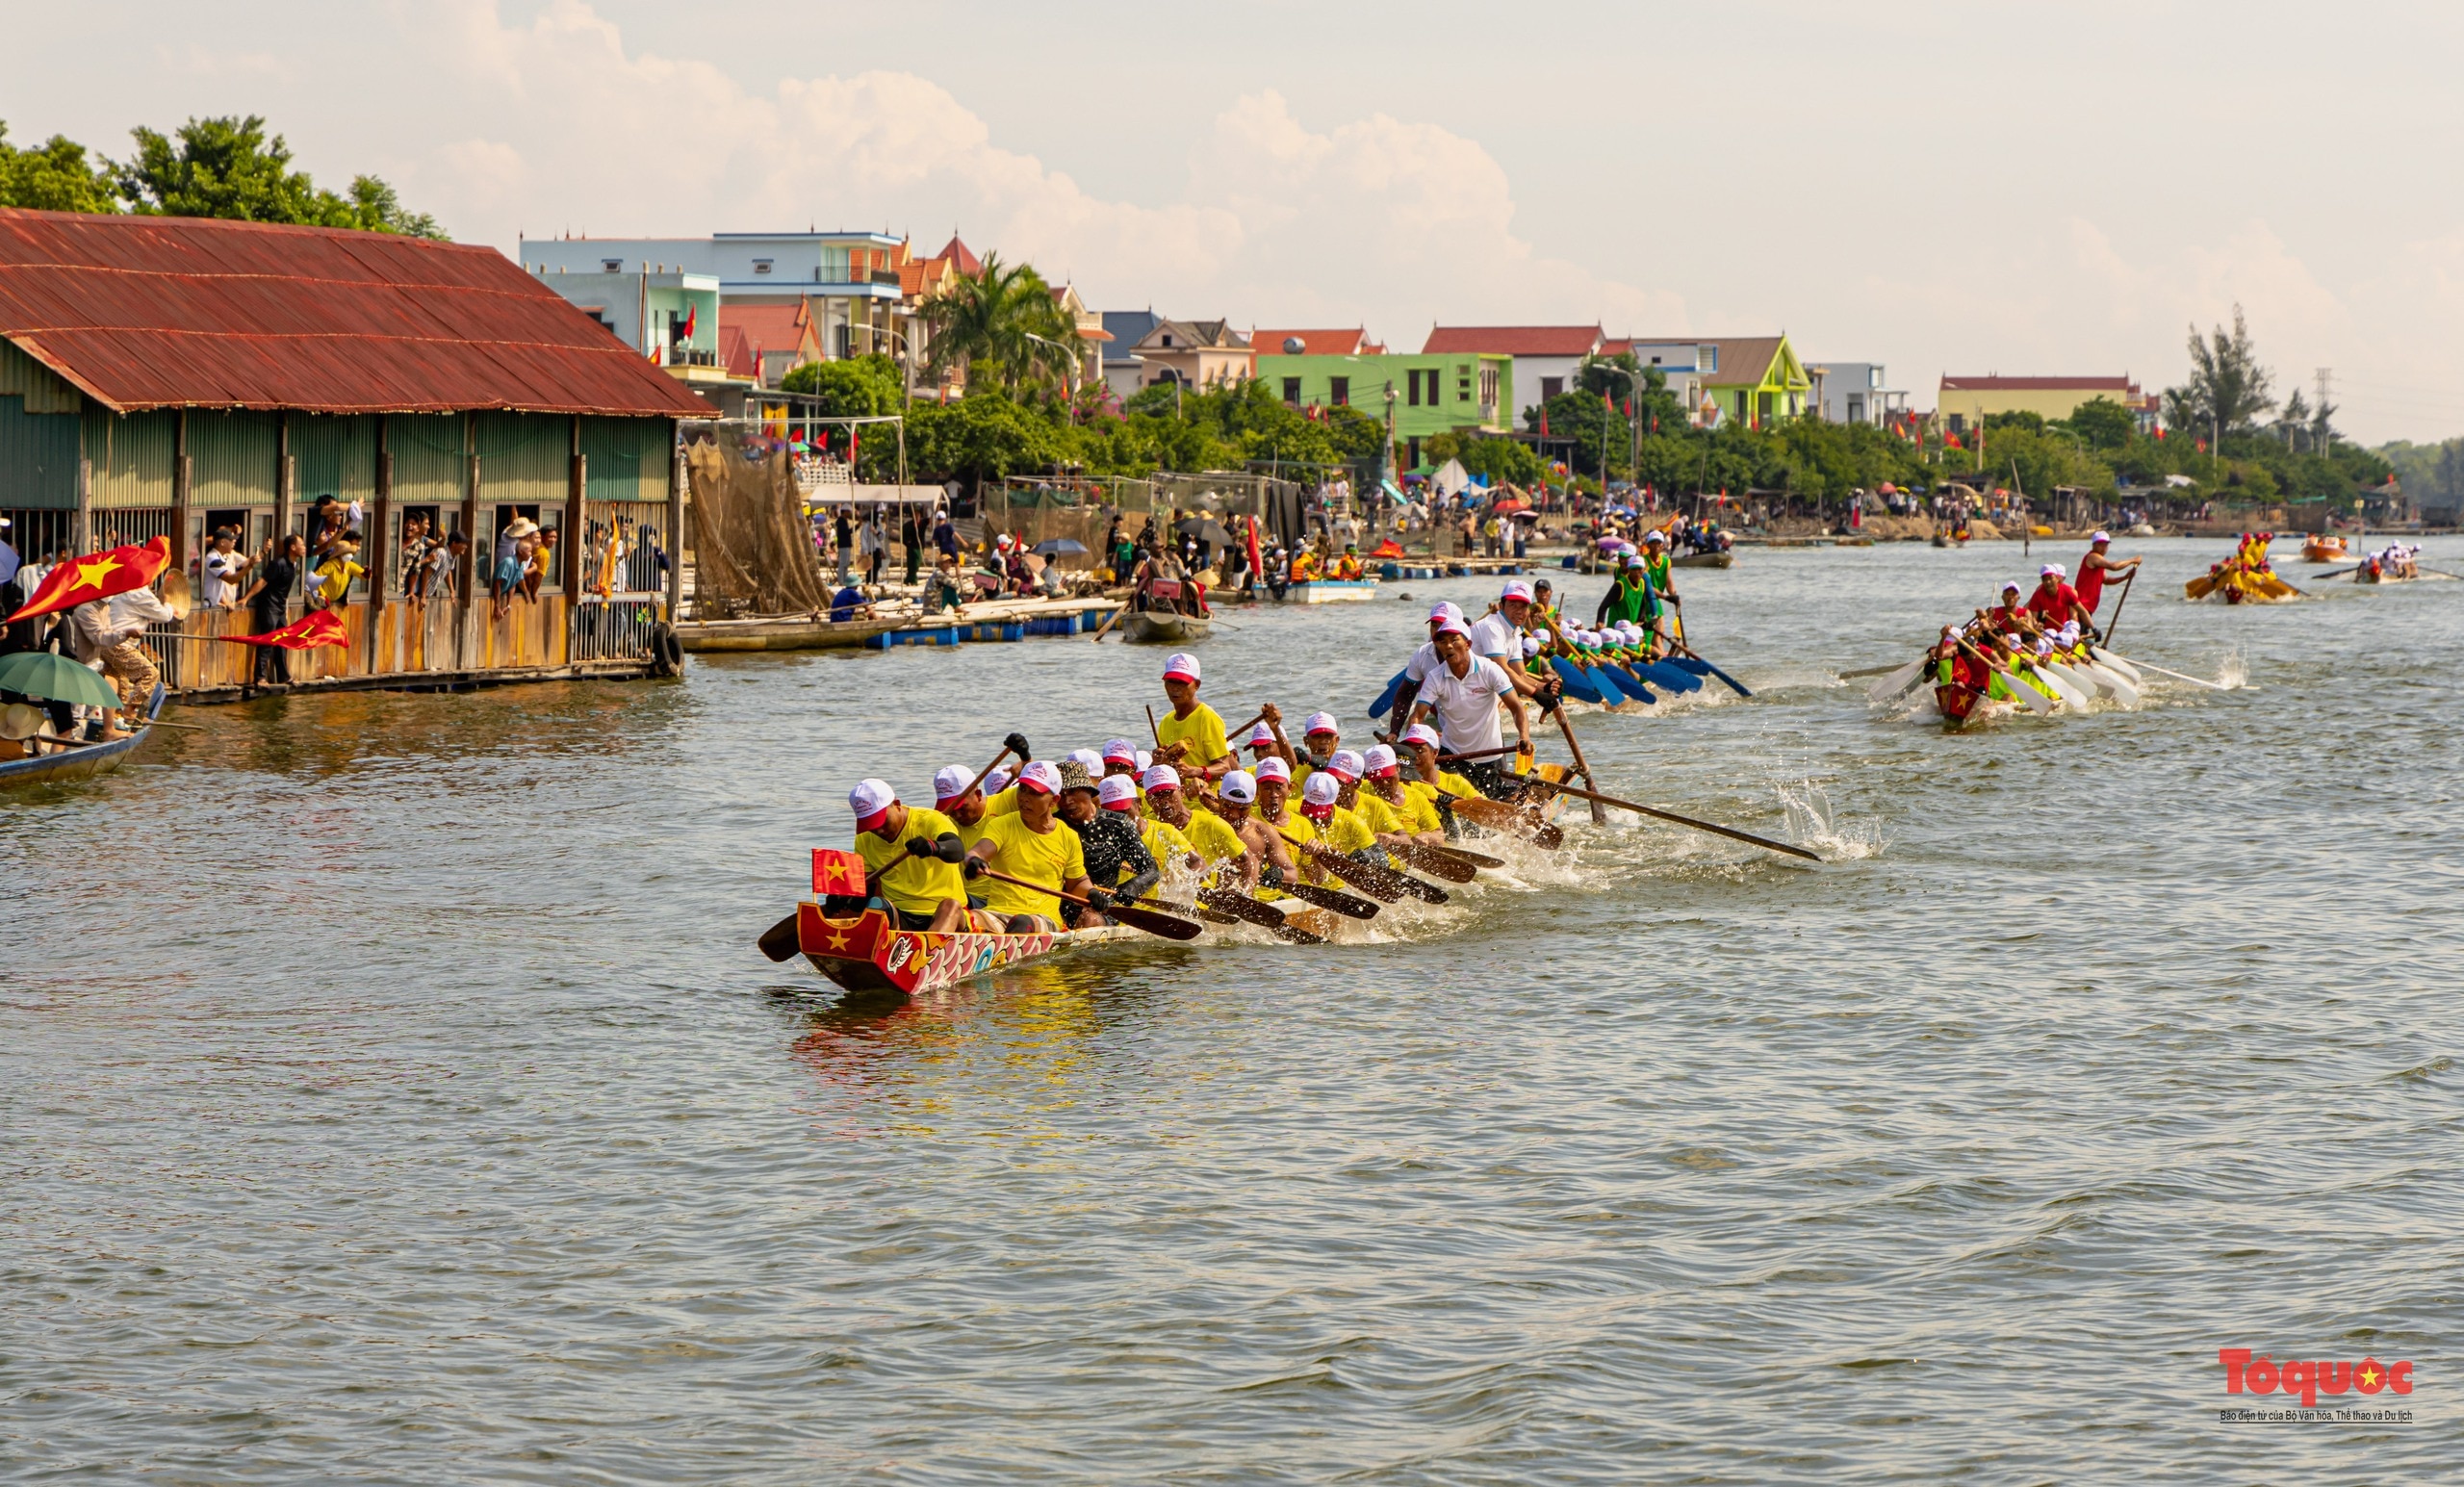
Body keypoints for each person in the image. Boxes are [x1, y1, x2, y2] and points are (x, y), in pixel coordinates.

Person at [964, 759, 1111, 934]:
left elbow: (1077, 883)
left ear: (1054, 801)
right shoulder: (1002, 825)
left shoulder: (1068, 836)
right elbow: (978, 851)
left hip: (1042, 918)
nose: (1024, 798)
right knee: (954, 911)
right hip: (997, 913)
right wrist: (973, 860)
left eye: (1034, 793)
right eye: (1022, 789)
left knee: (1021, 922)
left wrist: (1091, 893)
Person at [1409, 618, 1530, 799]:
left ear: (1468, 644)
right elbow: (1417, 716)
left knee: (1491, 811)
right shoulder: (1435, 677)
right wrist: (1415, 748)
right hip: (1453, 754)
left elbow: (1517, 708)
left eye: (1454, 640)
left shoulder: (1489, 670)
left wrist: (1524, 736)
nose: (1448, 646)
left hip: (1490, 754)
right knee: (1452, 806)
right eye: (1442, 642)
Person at [845, 778, 976, 933]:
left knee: (950, 906)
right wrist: (845, 899)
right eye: (871, 825)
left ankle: (927, 949)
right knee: (877, 904)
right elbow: (868, 886)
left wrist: (933, 847)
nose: (879, 831)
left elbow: (957, 851)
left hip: (944, 914)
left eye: (882, 822)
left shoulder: (930, 820)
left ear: (897, 804)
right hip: (901, 916)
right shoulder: (864, 839)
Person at [69, 583, 175, 738]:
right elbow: (99, 637)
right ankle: (125, 714)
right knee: (149, 673)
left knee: (116, 682)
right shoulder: (86, 609)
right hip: (94, 655)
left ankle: (114, 720)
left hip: (103, 651)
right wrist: (126, 633)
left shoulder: (104, 607)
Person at [1057, 762, 1159, 921]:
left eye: (1073, 792)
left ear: (1089, 792)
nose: (1067, 801)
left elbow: (1151, 870)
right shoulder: (1053, 825)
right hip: (1056, 906)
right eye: (1061, 794)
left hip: (1100, 910)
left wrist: (1132, 887)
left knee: (1090, 918)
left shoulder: (1118, 824)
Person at [238, 533, 304, 692]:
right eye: (301, 544)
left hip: (280, 607)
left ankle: (283, 675)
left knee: (283, 640)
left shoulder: (293, 564)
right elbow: (262, 581)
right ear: (292, 547)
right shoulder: (279, 563)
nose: (304, 547)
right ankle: (260, 677)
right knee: (267, 640)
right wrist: (246, 598)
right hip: (269, 606)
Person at [1153, 653, 1233, 780]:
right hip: (1177, 797)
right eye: (1170, 682)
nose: (1175, 689)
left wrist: (1194, 771)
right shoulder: (1165, 722)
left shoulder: (1206, 717)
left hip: (1204, 796)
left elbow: (1225, 768)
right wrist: (1157, 762)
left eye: (1182, 683)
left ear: (1197, 685)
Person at [2075, 531, 2140, 618]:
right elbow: (2114, 566)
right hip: (2082, 605)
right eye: (2100, 544)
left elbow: (2106, 580)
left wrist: (2125, 577)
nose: (2104, 548)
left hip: (2089, 606)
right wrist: (2133, 560)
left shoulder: (2099, 561)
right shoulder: (2092, 557)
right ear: (2094, 545)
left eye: (2106, 545)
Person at [2026, 563, 2090, 631]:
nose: (2048, 582)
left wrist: (2072, 631)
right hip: (2046, 631)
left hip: (2064, 629)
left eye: (2060, 577)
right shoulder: (2040, 590)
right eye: (2046, 578)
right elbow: (2028, 611)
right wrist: (2036, 622)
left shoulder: (2070, 591)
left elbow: (2074, 617)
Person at [200, 528, 250, 608]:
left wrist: (221, 601)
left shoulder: (220, 557)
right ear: (222, 542)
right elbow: (231, 579)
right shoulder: (213, 559)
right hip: (207, 605)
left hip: (213, 604)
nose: (233, 543)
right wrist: (250, 566)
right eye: (231, 540)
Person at [900, 507, 923, 586]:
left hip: (919, 547)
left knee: (916, 564)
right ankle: (910, 580)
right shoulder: (908, 526)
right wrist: (907, 542)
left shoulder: (922, 524)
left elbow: (930, 520)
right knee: (910, 564)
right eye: (915, 515)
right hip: (911, 547)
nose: (917, 517)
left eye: (918, 515)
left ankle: (911, 579)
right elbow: (903, 536)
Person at [834, 506, 856, 584]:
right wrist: (856, 527)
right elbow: (846, 532)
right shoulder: (841, 521)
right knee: (843, 563)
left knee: (846, 563)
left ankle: (845, 579)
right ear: (845, 512)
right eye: (848, 511)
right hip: (843, 545)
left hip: (845, 545)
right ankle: (841, 580)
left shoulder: (844, 521)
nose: (850, 513)